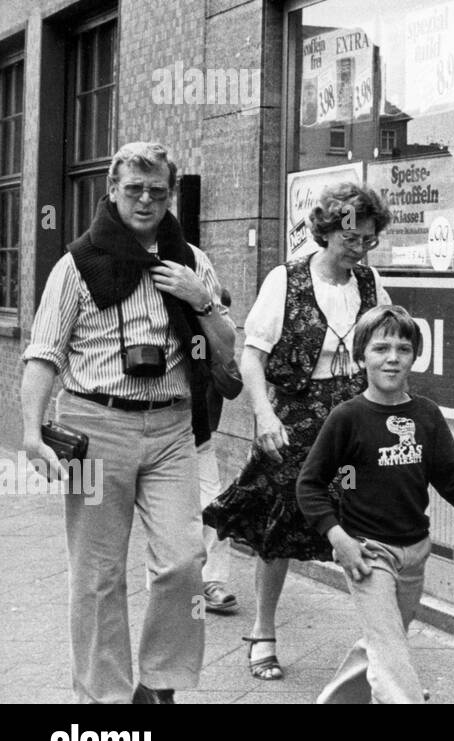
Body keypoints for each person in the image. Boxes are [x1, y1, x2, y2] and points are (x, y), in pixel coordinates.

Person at [19, 142, 236, 704]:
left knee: (184, 560)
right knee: (97, 574)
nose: (145, 200)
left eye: (157, 192)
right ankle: (106, 699)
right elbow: (43, 353)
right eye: (134, 189)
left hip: (172, 429)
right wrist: (30, 431)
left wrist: (201, 299)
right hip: (96, 426)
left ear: (169, 194)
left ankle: (160, 682)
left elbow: (228, 350)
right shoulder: (77, 263)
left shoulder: (190, 258)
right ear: (112, 190)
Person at [204, 181, 392, 680]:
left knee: (366, 523)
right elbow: (252, 354)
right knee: (281, 525)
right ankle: (263, 632)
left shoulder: (370, 284)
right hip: (295, 418)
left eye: (369, 241)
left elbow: (387, 343)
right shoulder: (286, 279)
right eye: (352, 240)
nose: (360, 250)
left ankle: (381, 643)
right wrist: (263, 415)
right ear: (327, 232)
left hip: (355, 417)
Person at [297, 305, 454, 704]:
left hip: (415, 550)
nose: (392, 358)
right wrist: (340, 539)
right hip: (368, 552)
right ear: (361, 357)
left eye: (403, 349)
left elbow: (453, 474)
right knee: (390, 649)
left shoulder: (425, 415)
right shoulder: (348, 418)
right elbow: (310, 485)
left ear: (414, 356)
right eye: (380, 348)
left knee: (385, 640)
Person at [198, 287, 238, 614]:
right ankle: (167, 584)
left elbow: (232, 386)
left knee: (213, 506)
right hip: (161, 430)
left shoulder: (217, 339)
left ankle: (211, 581)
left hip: (200, 438)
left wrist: (219, 346)